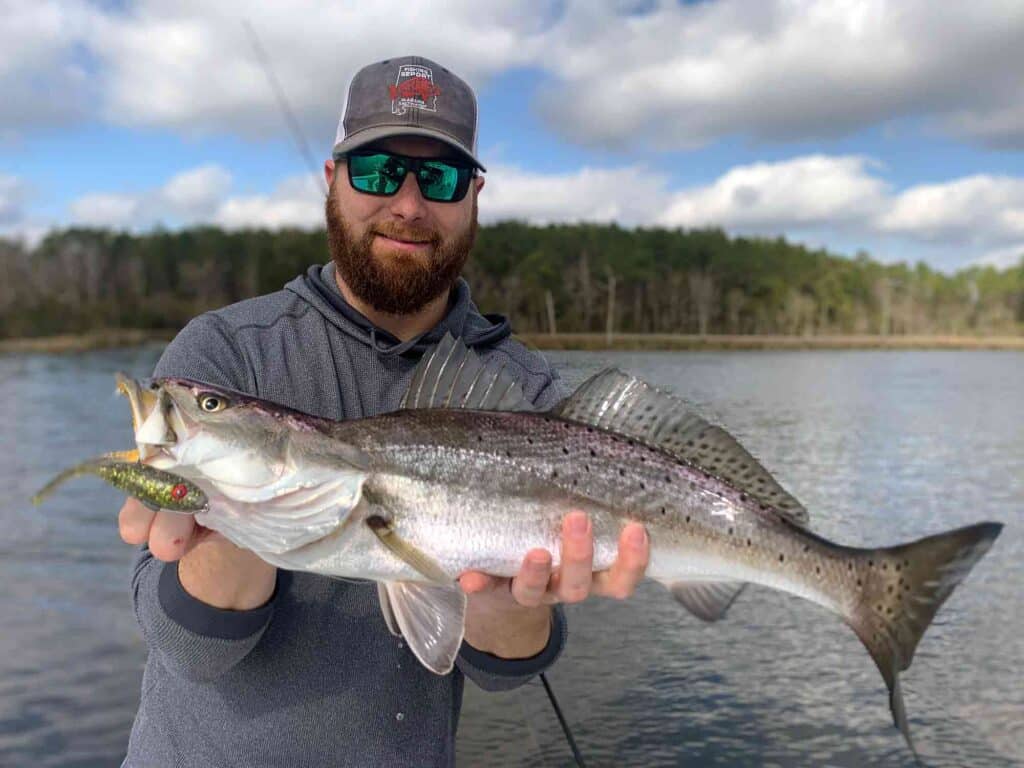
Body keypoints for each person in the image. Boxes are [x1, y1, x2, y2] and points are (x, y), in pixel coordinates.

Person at [117, 55, 650, 767]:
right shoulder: (225, 350)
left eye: (438, 178)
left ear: (475, 196)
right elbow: (187, 650)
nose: (406, 204)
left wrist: (505, 604)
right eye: (376, 172)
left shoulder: (519, 385)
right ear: (332, 182)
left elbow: (506, 667)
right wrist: (236, 519)